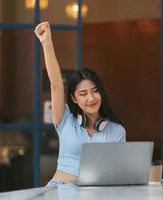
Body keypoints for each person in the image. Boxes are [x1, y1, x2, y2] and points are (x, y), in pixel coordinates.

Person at [34, 22, 126, 186]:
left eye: (95, 91)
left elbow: (119, 176)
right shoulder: (65, 119)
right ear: (74, 98)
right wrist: (47, 43)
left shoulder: (117, 131)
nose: (91, 98)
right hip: (59, 193)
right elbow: (56, 84)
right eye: (83, 94)